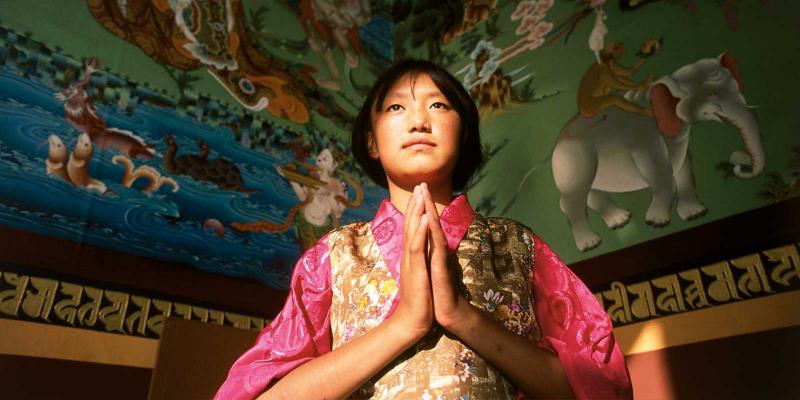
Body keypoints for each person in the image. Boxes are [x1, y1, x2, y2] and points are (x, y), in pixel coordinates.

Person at [216, 59, 632, 399]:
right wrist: (404, 325)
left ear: (465, 133)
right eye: (396, 107)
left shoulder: (520, 247)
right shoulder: (332, 257)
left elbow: (601, 390)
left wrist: (462, 317)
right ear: (372, 141)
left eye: (438, 106)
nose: (418, 121)